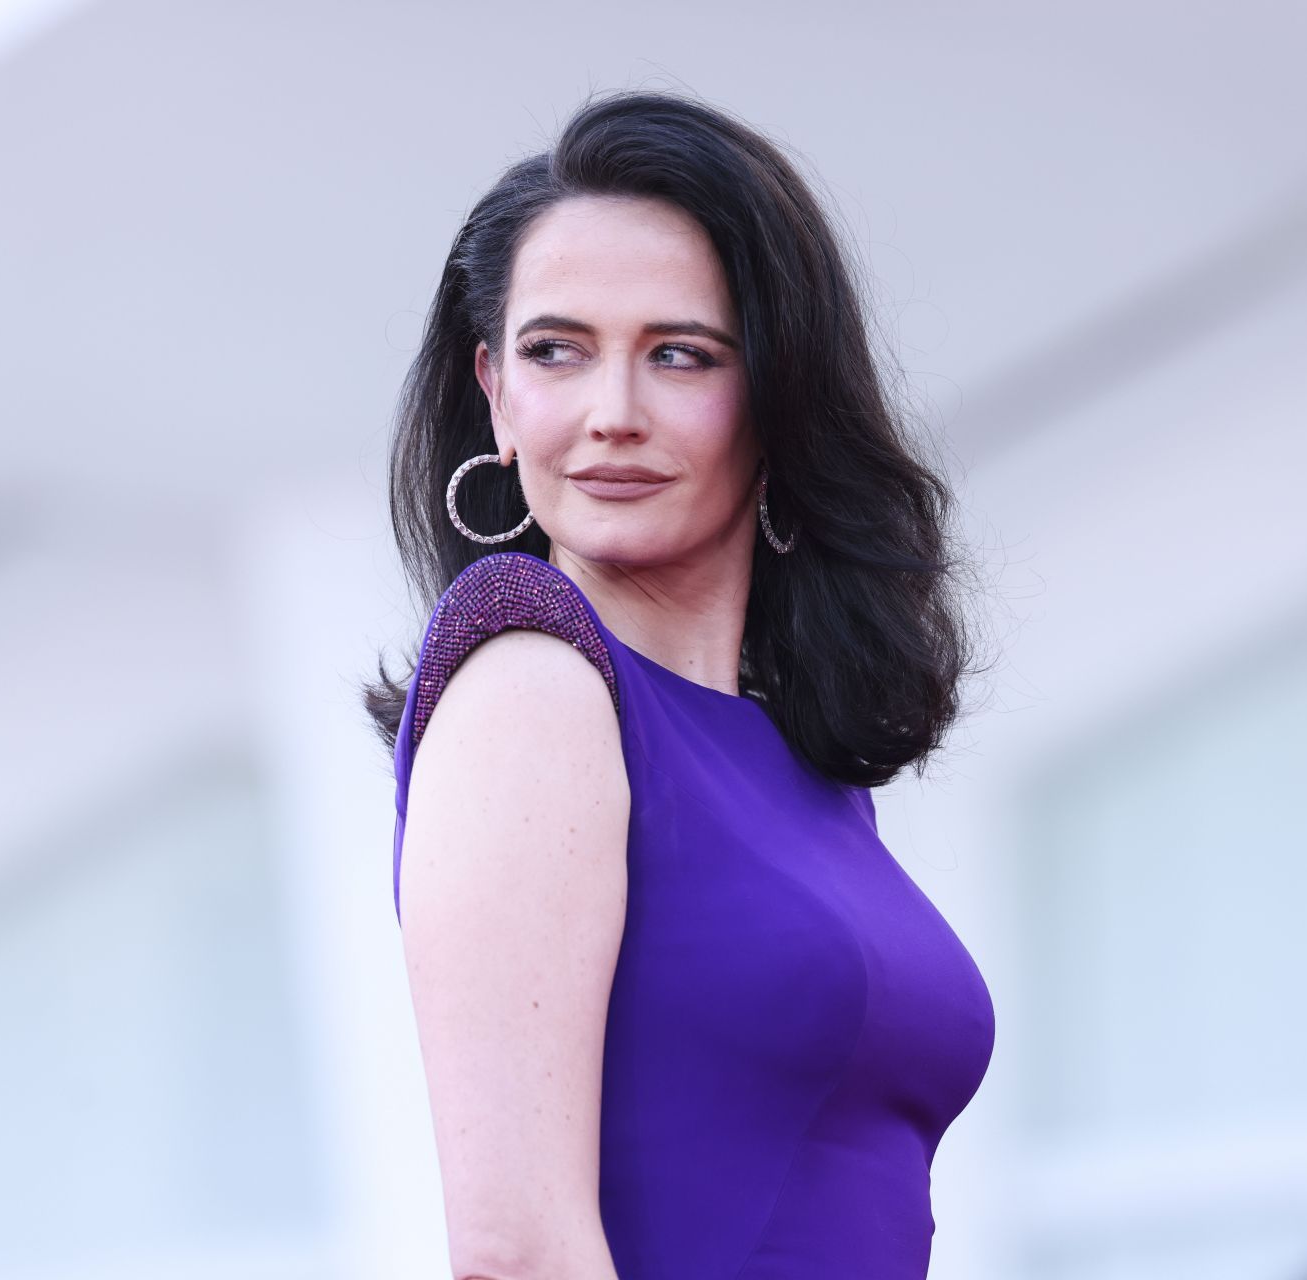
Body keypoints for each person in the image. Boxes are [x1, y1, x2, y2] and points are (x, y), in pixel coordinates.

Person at [363, 87, 994, 1280]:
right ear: (496, 392)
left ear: (778, 391)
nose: (612, 415)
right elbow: (518, 1252)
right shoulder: (528, 675)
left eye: (679, 355)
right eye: (559, 351)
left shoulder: (793, 757)